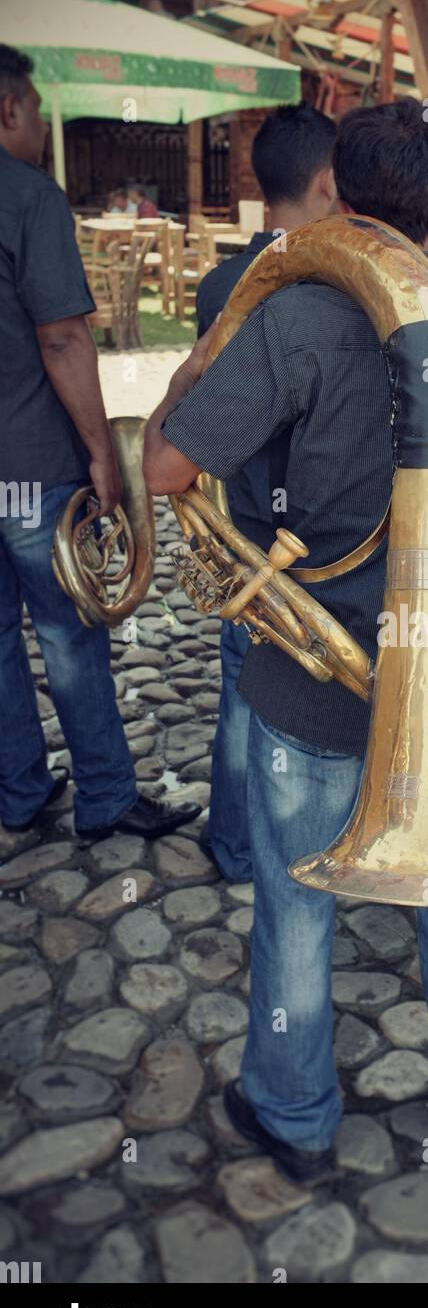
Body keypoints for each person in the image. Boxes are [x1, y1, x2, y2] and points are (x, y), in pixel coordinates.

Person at [143, 98, 428, 1178]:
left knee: (295, 912)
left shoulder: (293, 319)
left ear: (339, 191)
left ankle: (295, 1120)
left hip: (306, 688)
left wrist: (194, 365)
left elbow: (164, 468)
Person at [0, 44, 201, 842]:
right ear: (10, 108)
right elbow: (62, 339)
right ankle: (106, 797)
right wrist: (99, 453)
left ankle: (18, 792)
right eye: (35, 109)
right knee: (69, 632)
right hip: (31, 467)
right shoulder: (27, 196)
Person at [196, 103, 338, 884]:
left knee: (240, 694)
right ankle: (311, 839)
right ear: (328, 181)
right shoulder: (341, 283)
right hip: (327, 539)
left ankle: (235, 844)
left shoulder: (220, 284)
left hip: (245, 530)